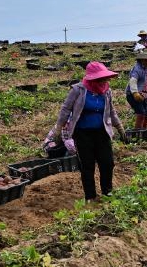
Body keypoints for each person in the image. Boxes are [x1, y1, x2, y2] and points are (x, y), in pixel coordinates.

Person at [54, 61, 128, 201]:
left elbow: (112, 111)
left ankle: (107, 192)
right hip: (82, 134)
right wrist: (58, 128)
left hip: (102, 132)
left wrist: (120, 127)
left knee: (107, 162)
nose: (103, 81)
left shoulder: (107, 91)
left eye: (104, 79)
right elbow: (65, 109)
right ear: (92, 78)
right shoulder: (78, 90)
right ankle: (90, 196)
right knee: (87, 165)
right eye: (100, 79)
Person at [126, 51, 147, 129]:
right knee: (141, 112)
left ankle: (144, 130)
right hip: (133, 95)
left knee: (146, 112)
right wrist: (135, 93)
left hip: (143, 95)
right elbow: (133, 81)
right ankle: (138, 131)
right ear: (142, 60)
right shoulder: (137, 69)